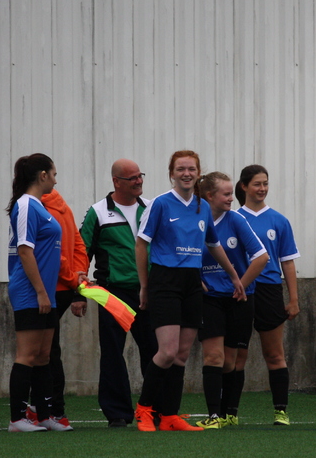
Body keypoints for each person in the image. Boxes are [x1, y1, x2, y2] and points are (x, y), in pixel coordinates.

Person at [134, 150, 245, 432]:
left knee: (182, 355)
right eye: (181, 169)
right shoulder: (160, 204)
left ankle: (170, 415)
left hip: (192, 283)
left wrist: (234, 277)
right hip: (165, 281)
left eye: (191, 169)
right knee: (167, 352)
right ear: (171, 173)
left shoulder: (203, 206)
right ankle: (144, 410)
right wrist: (145, 286)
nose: (186, 174)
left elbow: (213, 245)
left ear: (198, 173)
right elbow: (141, 244)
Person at [80, 159, 158, 428]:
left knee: (155, 351)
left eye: (140, 175)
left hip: (149, 290)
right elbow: (81, 252)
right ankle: (118, 413)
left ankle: (154, 409)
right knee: (113, 352)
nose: (139, 181)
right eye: (132, 178)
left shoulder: (151, 208)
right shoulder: (98, 212)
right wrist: (78, 294)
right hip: (113, 292)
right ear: (116, 182)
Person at [196, 172, 268, 429]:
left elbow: (261, 257)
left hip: (239, 299)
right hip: (209, 299)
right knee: (213, 357)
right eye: (226, 194)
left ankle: (229, 413)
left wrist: (241, 285)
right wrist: (194, 278)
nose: (231, 198)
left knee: (231, 361)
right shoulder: (195, 220)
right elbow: (180, 253)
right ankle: (214, 415)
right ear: (209, 196)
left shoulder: (236, 219)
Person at [5, 154, 70, 432]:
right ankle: (17, 419)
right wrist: (41, 292)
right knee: (27, 355)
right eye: (53, 174)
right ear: (42, 175)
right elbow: (24, 250)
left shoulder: (40, 206)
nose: (55, 180)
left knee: (44, 356)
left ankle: (44, 415)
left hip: (46, 292)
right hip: (31, 291)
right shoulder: (26, 205)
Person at [236, 165, 300, 426]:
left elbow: (288, 262)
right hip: (240, 291)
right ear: (244, 186)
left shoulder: (279, 221)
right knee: (237, 356)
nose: (262, 189)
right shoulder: (233, 219)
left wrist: (293, 299)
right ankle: (229, 413)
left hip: (269, 290)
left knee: (274, 354)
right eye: (256, 184)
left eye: (265, 183)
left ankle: (281, 412)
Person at [40, 188, 89, 428]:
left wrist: (71, 277)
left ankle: (49, 409)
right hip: (65, 287)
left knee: (42, 352)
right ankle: (52, 409)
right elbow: (79, 246)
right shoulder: (64, 207)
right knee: (50, 351)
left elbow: (46, 250)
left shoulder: (35, 207)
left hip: (47, 285)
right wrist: (76, 277)